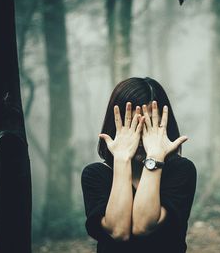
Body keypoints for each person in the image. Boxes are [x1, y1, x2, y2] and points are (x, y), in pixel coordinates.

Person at [81, 77, 197, 253]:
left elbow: (143, 225)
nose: (142, 136)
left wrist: (155, 155)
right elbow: (118, 231)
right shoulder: (96, 175)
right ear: (116, 125)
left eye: (150, 124)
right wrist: (122, 158)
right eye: (134, 124)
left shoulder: (181, 171)